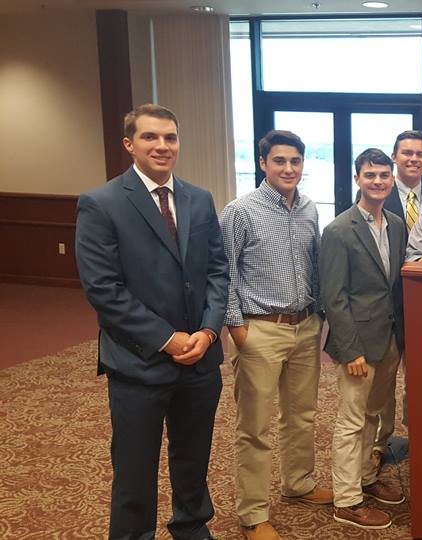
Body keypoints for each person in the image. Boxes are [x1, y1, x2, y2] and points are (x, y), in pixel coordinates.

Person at [75, 104, 228, 540]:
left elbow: (218, 271)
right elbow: (103, 290)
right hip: (138, 361)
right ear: (129, 144)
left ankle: (191, 524)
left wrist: (208, 330)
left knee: (193, 456)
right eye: (150, 137)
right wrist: (167, 338)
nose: (162, 146)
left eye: (170, 138)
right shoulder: (101, 203)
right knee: (135, 466)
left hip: (200, 357)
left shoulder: (199, 199)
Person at [220, 130, 332, 540]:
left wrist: (319, 314)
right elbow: (225, 272)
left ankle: (298, 483)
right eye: (280, 161)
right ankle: (252, 513)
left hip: (304, 327)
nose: (289, 168)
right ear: (263, 163)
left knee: (301, 415)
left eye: (296, 161)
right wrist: (237, 328)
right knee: (255, 427)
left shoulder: (308, 209)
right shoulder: (240, 211)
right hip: (259, 330)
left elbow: (315, 263)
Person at [320, 148, 407, 530]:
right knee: (352, 420)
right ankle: (346, 499)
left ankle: (367, 479)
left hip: (388, 340)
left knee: (374, 414)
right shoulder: (339, 230)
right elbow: (333, 297)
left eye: (384, 175)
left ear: (392, 180)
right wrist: (350, 349)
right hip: (357, 344)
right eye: (370, 175)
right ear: (358, 179)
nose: (378, 181)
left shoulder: (396, 223)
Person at [366, 130, 422, 468]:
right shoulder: (377, 196)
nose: (414, 159)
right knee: (382, 385)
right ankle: (379, 444)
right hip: (389, 309)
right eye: (407, 153)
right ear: (395, 157)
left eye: (420, 154)